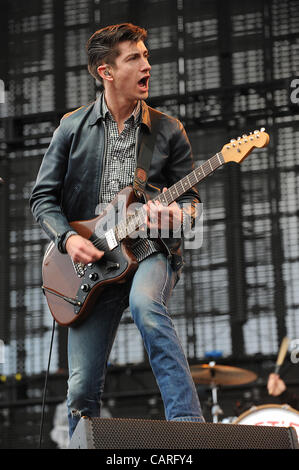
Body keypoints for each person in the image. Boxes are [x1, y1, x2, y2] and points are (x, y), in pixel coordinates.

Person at [30, 23, 204, 438]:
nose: (147, 64)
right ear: (106, 71)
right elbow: (42, 199)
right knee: (81, 389)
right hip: (92, 265)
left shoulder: (168, 129)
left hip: (149, 250)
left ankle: (189, 427)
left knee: (148, 308)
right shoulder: (71, 127)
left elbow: (191, 204)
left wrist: (177, 217)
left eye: (146, 55)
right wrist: (69, 238)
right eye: (135, 58)